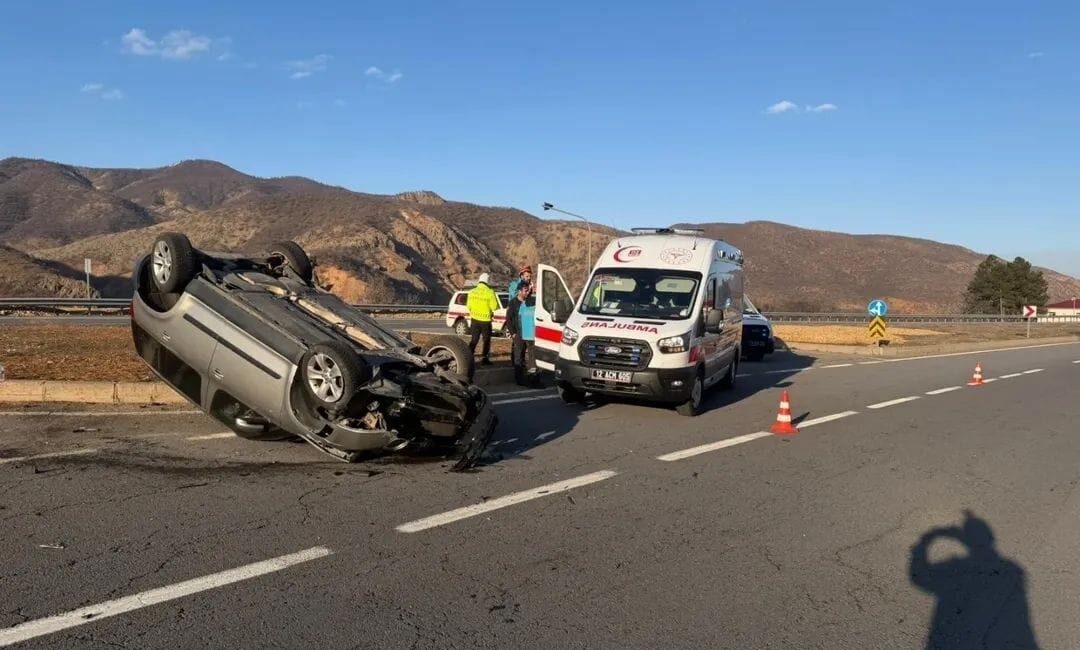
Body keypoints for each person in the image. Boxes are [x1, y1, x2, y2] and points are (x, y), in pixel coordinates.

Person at [466, 272, 499, 365]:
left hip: (474, 320)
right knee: (486, 340)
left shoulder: (472, 292)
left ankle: (468, 357)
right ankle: (484, 358)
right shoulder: (490, 292)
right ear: (487, 281)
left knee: (474, 339)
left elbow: (468, 306)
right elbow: (494, 307)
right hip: (486, 321)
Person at [515, 284, 539, 386]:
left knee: (525, 355)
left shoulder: (523, 304)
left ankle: (527, 376)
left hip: (525, 334)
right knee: (532, 356)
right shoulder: (536, 305)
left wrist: (521, 331)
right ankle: (532, 377)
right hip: (533, 334)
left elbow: (519, 319)